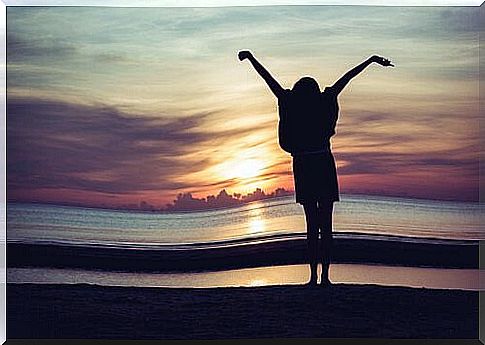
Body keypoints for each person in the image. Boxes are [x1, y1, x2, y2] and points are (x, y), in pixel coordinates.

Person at [239, 50, 393, 286]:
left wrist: (251, 58)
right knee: (326, 224)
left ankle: (313, 277)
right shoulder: (324, 101)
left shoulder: (291, 102)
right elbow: (347, 77)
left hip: (304, 165)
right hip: (323, 163)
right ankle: (324, 277)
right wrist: (371, 60)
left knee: (312, 224)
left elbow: (267, 78)